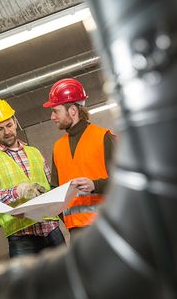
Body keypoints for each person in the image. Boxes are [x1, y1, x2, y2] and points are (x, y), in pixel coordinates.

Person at [0, 99, 65, 258]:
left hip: (50, 228)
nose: (7, 132)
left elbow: (51, 186)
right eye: (0, 128)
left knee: (66, 278)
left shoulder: (34, 152)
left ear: (15, 122)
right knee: (29, 283)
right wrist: (18, 191)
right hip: (22, 237)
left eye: (9, 125)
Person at [43, 78, 116, 236]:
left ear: (73, 111)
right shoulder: (58, 147)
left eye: (56, 111)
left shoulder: (103, 137)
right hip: (76, 232)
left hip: (105, 227)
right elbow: (56, 191)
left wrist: (94, 185)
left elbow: (123, 182)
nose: (52, 117)